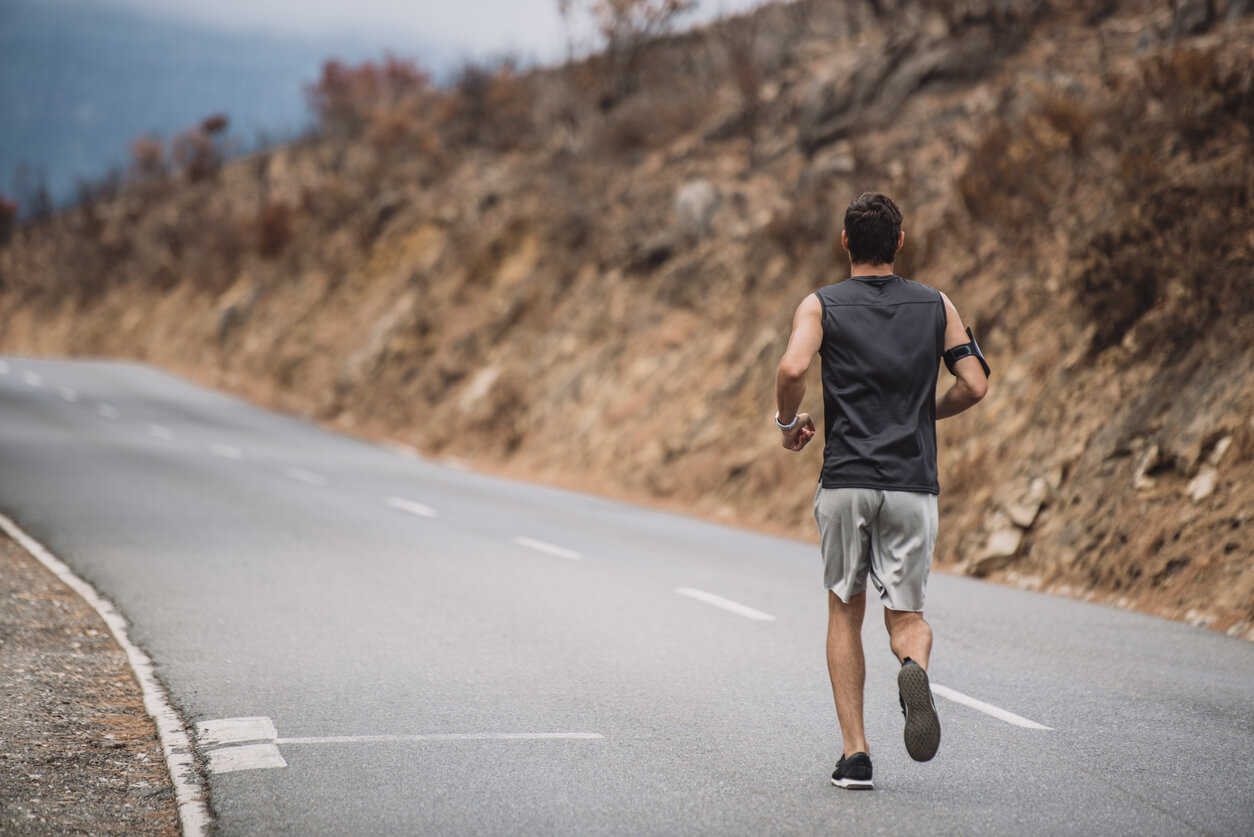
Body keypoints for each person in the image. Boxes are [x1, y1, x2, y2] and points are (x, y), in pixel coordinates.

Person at [773, 192, 989, 790]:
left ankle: (856, 754)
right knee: (907, 615)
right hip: (911, 484)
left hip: (845, 480)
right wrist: (925, 415)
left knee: (845, 609)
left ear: (845, 243)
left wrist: (790, 425)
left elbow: (791, 370)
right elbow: (974, 384)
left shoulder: (820, 306)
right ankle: (913, 666)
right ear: (899, 242)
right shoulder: (935, 304)